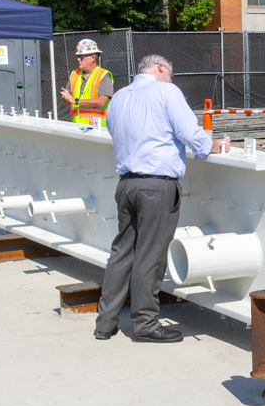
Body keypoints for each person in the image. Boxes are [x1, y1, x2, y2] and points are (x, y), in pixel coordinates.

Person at [95, 54, 229, 344]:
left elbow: (114, 131)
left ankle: (105, 323)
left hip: (126, 184)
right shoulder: (166, 91)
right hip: (157, 186)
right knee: (151, 257)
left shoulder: (118, 98)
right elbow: (187, 131)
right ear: (160, 68)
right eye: (171, 73)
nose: (172, 78)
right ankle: (145, 323)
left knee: (122, 252)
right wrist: (211, 145)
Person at [60, 38, 114, 127]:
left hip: (97, 130)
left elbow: (102, 101)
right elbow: (66, 102)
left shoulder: (103, 75)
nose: (78, 60)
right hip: (76, 127)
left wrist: (75, 100)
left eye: (81, 57)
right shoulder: (74, 74)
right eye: (77, 57)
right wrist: (65, 97)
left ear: (93, 58)